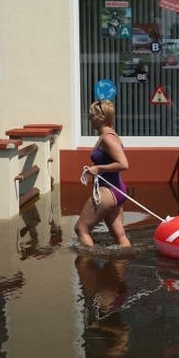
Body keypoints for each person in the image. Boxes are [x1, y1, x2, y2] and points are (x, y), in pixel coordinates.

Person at [75, 100, 131, 248]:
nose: (89, 119)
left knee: (81, 228)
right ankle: (123, 263)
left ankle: (87, 266)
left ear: (100, 118)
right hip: (117, 190)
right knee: (119, 235)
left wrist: (98, 168)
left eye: (91, 116)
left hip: (108, 191)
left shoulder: (107, 138)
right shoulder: (109, 135)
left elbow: (123, 164)